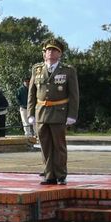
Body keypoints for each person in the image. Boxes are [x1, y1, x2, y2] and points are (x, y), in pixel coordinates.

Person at [28, 39, 79, 185]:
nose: (50, 52)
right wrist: (30, 113)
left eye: (54, 50)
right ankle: (49, 174)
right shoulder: (37, 69)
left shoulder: (68, 70)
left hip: (59, 112)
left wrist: (72, 115)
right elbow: (32, 93)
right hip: (41, 112)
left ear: (59, 54)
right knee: (45, 145)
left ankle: (61, 174)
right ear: (44, 53)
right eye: (48, 50)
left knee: (59, 145)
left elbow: (74, 95)